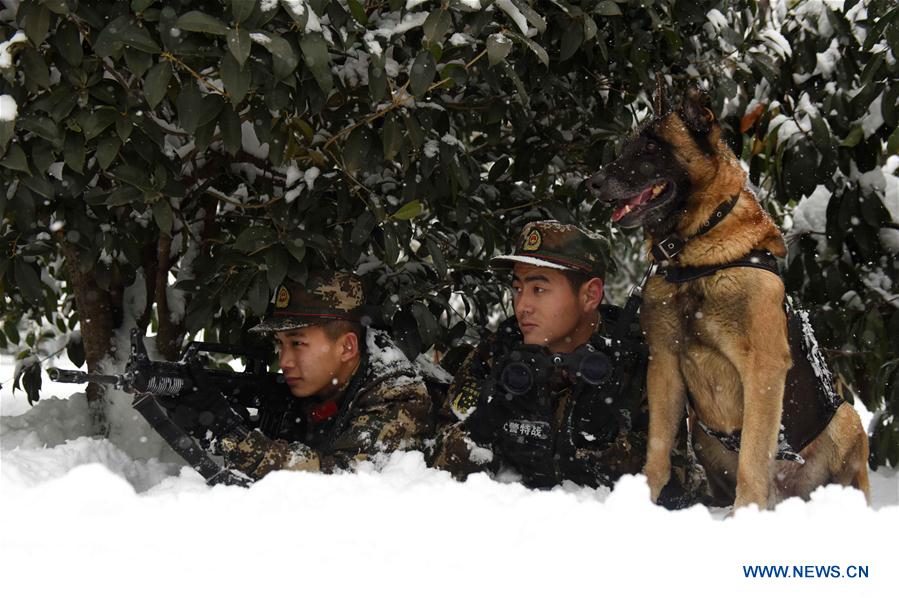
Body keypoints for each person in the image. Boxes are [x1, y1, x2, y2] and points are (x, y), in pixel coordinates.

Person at [429, 221, 707, 507]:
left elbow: (675, 489)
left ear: (590, 295)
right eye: (517, 288)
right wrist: (483, 424)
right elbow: (430, 470)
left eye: (538, 289)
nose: (522, 304)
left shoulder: (638, 363)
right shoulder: (499, 353)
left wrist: (602, 443)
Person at [219, 270, 434, 480]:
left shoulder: (397, 395)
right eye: (280, 343)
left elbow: (344, 483)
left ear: (347, 348)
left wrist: (235, 438)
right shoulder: (326, 378)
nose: (284, 361)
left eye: (297, 343)